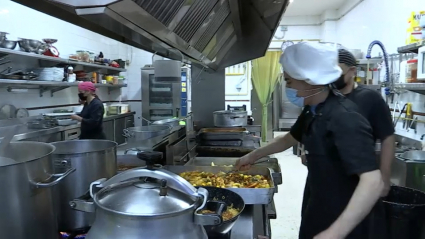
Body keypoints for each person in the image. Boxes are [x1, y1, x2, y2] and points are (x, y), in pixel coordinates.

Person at [235, 42, 386, 239]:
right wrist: (253, 156)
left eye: (289, 81)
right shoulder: (314, 110)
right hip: (320, 199)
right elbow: (289, 138)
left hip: (347, 216)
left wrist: (334, 233)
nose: (288, 87)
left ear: (310, 81)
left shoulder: (345, 117)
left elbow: (373, 181)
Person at [299, 48, 395, 217]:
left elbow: (387, 138)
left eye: (338, 71)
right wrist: (306, 149)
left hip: (354, 180)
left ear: (352, 71)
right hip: (319, 180)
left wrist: (385, 177)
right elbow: (306, 127)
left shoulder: (370, 99)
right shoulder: (322, 96)